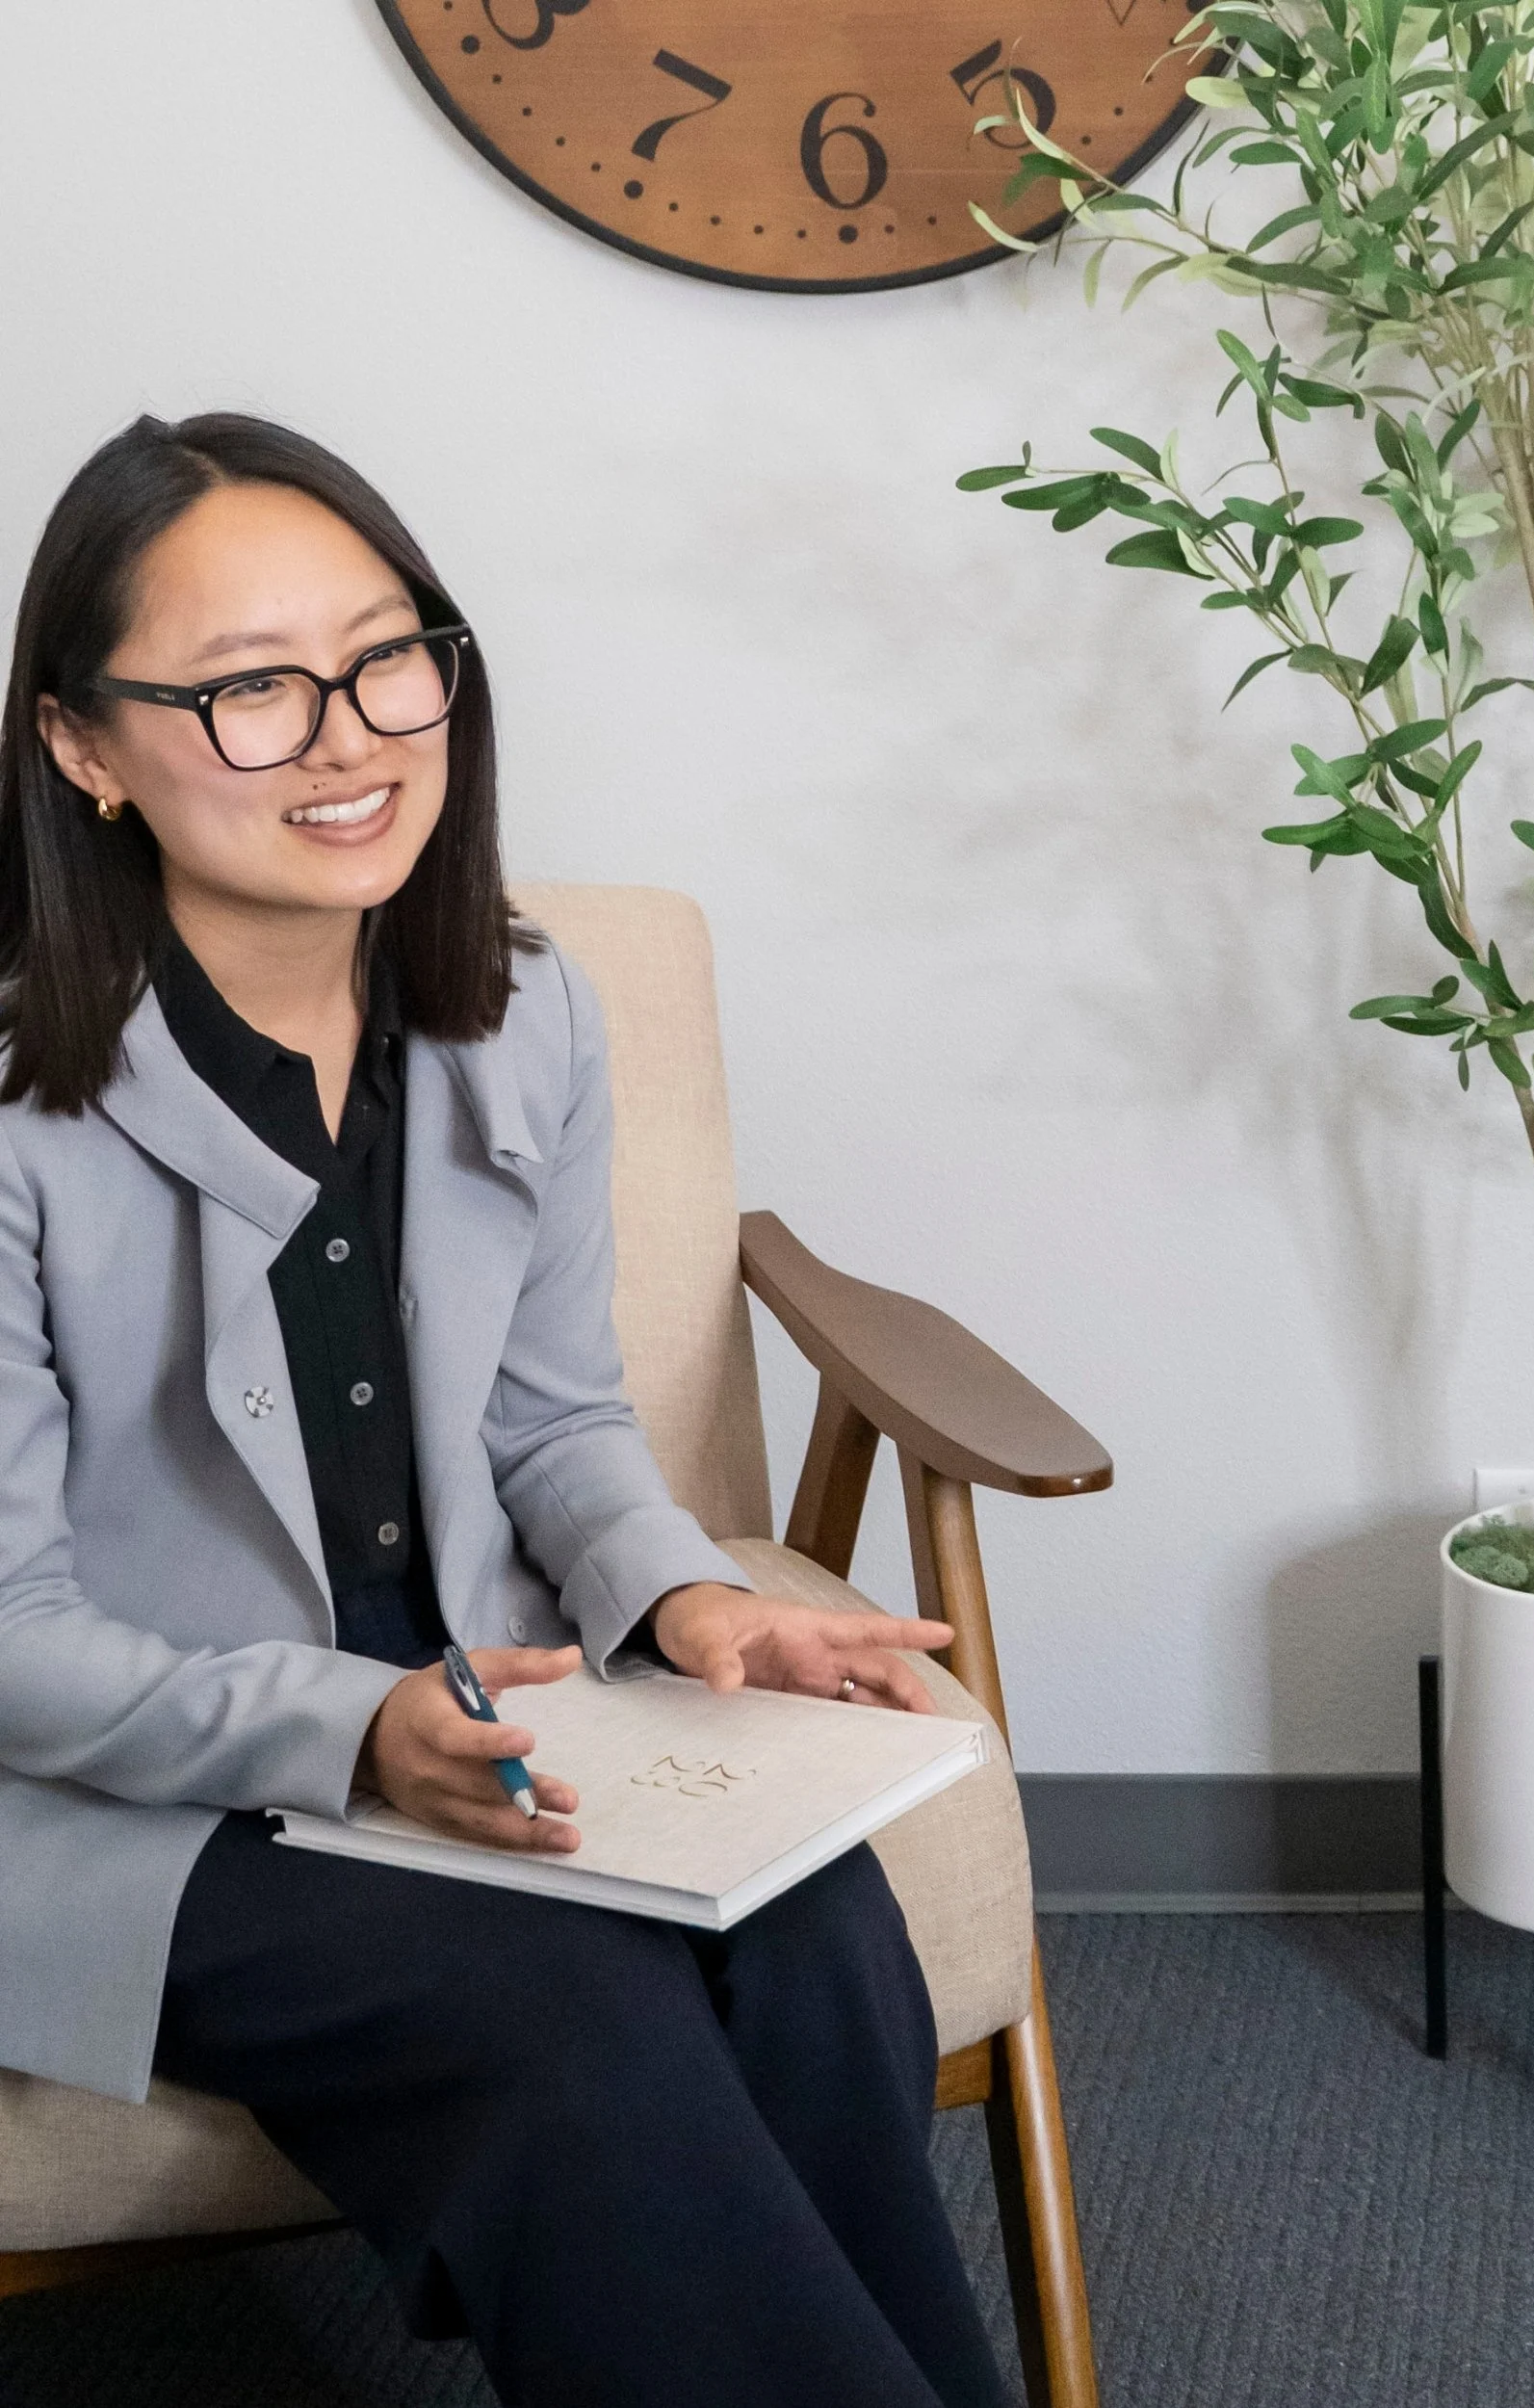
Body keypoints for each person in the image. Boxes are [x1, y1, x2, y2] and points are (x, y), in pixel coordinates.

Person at [0, 411, 1008, 2408]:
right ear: (83, 745)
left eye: (387, 657)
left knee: (810, 1938)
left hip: (475, 1693)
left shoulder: (521, 1006)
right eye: (246, 689)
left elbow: (557, 1423)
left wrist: (691, 1604)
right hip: (128, 1783)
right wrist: (349, 1724)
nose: (346, 734)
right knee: (575, 2022)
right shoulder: (27, 1099)